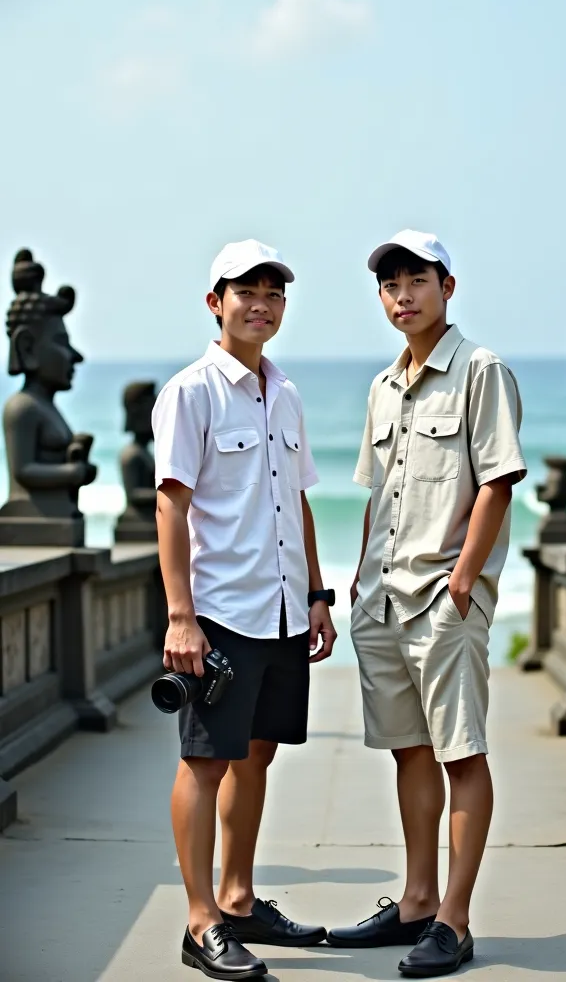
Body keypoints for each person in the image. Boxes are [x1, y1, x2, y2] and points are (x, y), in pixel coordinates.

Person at [326, 230, 527, 978]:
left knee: (461, 751)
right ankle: (416, 900)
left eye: (416, 279)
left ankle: (455, 920)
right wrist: (357, 578)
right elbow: (381, 491)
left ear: (448, 285)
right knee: (409, 749)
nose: (402, 294)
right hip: (381, 597)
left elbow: (497, 481)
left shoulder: (481, 370)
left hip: (444, 595)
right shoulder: (384, 385)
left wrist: (465, 580)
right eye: (389, 285)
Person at [152, 239, 337, 980]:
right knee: (205, 759)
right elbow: (172, 505)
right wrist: (179, 615)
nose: (261, 304)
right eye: (245, 292)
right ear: (215, 303)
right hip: (220, 611)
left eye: (274, 293)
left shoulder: (283, 392)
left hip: (284, 610)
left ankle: (237, 896)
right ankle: (201, 925)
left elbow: (296, 500)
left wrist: (318, 594)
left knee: (256, 755)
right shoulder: (191, 392)